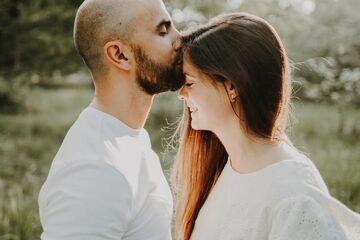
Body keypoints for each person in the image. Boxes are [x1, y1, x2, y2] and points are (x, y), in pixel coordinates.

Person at [173, 12, 360, 240]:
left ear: (232, 86)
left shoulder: (295, 196)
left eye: (190, 83)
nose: (182, 94)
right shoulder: (228, 169)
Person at [38, 0, 184, 239]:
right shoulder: (94, 169)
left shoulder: (128, 136)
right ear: (120, 55)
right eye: (163, 30)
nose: (180, 39)